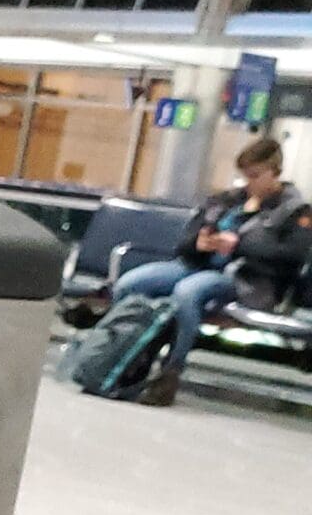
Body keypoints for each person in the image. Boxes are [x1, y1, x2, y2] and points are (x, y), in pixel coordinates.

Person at [107, 136, 311, 404]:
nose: (248, 182)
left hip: (246, 280)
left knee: (187, 293)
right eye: (245, 175)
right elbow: (186, 241)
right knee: (131, 283)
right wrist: (200, 244)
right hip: (196, 266)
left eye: (255, 175)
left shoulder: (295, 210)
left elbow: (293, 256)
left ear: (274, 172)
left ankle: (170, 373)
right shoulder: (227, 201)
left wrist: (237, 247)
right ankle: (126, 358)